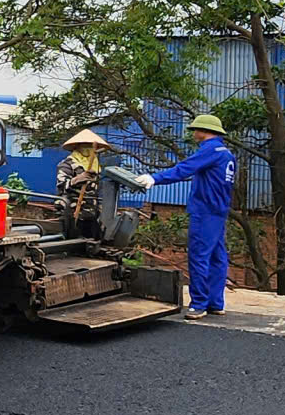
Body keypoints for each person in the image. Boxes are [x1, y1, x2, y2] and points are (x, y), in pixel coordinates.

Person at [133, 112, 238, 319]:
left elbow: (184, 169)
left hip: (204, 211)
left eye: (196, 130)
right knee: (218, 257)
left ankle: (198, 303)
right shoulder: (226, 153)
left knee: (199, 256)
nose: (194, 133)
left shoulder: (209, 150)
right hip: (219, 210)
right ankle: (216, 303)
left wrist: (154, 179)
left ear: (204, 131)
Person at [53, 127, 112, 239]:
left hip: (91, 211)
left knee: (93, 237)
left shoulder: (94, 164)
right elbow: (61, 186)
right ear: (77, 147)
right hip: (73, 211)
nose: (88, 149)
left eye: (90, 146)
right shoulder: (67, 164)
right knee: (74, 238)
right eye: (85, 146)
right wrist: (77, 179)